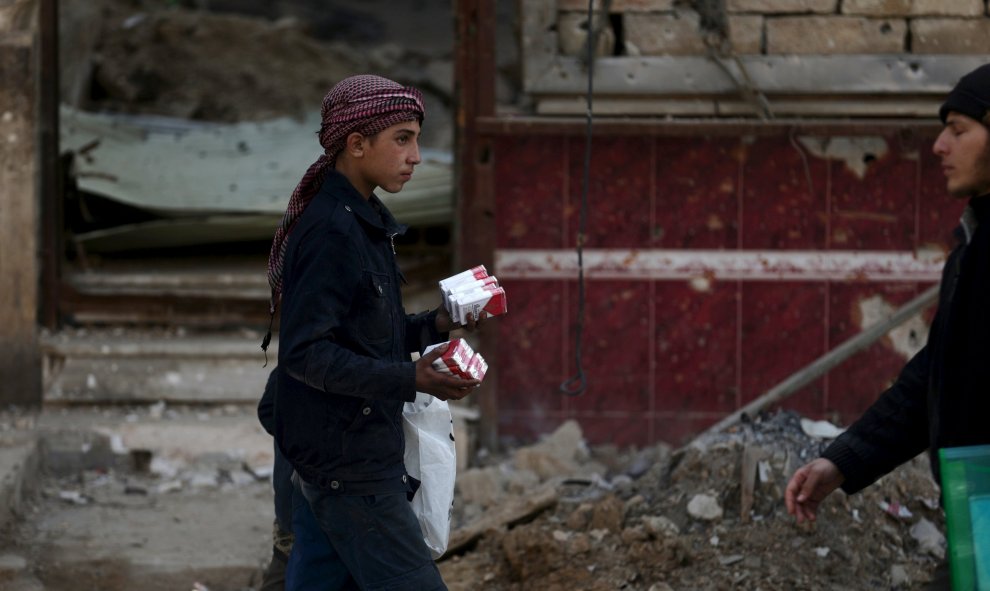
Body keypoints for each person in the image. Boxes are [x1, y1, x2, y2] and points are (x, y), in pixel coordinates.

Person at [263, 74, 486, 591]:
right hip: (348, 461)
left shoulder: (364, 223)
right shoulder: (332, 231)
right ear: (357, 145)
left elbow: (365, 335)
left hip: (338, 450)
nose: (417, 156)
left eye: (416, 139)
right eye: (402, 139)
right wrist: (413, 378)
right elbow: (308, 354)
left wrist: (436, 324)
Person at [785, 63, 990, 590]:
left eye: (960, 130)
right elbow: (937, 375)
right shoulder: (974, 245)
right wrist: (844, 462)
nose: (940, 146)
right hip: (978, 507)